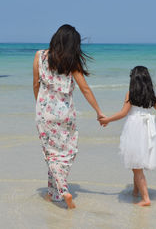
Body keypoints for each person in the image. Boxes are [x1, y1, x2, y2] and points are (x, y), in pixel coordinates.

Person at [33, 24, 104, 209]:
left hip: (43, 112)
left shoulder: (39, 56)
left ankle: (55, 192)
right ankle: (60, 191)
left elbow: (35, 84)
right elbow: (85, 89)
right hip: (65, 113)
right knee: (67, 151)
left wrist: (40, 107)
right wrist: (98, 111)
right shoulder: (72, 61)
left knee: (50, 153)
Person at [99, 66, 156, 206]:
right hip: (147, 130)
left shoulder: (130, 95)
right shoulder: (151, 95)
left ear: (134, 80)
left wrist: (107, 120)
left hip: (135, 129)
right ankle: (135, 191)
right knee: (137, 163)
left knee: (136, 166)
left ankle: (146, 199)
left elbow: (123, 113)